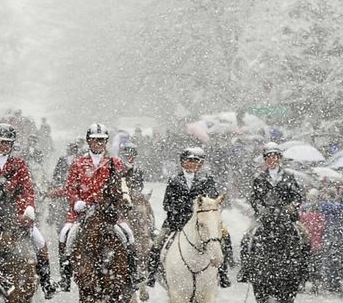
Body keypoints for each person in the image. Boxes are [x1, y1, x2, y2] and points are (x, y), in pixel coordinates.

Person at [0, 123, 56, 298]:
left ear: (12, 145)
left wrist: (26, 208)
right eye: (0, 141)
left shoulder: (19, 164)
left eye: (7, 142)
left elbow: (27, 190)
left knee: (41, 244)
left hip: (15, 217)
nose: (3, 145)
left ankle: (46, 282)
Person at [59, 123, 136, 292]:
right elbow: (71, 187)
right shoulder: (78, 163)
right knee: (64, 235)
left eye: (101, 140)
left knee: (129, 235)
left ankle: (132, 274)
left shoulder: (114, 162)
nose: (98, 143)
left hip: (108, 212)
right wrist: (76, 202)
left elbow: (124, 182)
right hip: (82, 212)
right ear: (88, 141)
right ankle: (65, 274)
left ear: (106, 142)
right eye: (95, 140)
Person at [149, 146, 231, 287]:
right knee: (158, 242)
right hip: (177, 221)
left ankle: (223, 273)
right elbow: (166, 204)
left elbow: (213, 200)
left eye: (195, 162)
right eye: (188, 161)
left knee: (224, 237)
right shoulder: (174, 181)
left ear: (198, 164)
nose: (191, 164)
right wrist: (181, 214)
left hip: (202, 221)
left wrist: (202, 214)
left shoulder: (207, 180)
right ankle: (151, 273)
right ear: (182, 163)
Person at [239, 142, 305, 283]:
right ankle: (246, 269)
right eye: (268, 157)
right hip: (264, 217)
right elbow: (254, 198)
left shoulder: (289, 176)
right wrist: (259, 207)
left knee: (304, 235)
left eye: (274, 157)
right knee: (247, 238)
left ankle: (305, 269)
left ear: (279, 158)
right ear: (265, 160)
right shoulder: (259, 178)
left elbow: (298, 196)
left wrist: (292, 206)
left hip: (286, 217)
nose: (272, 160)